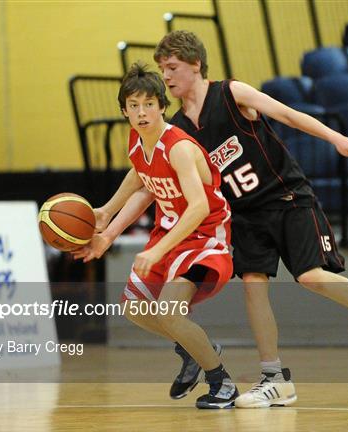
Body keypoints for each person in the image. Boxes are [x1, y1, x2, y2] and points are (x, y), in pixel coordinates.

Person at [149, 30, 348, 408]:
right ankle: (275, 378)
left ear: (195, 65)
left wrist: (336, 138)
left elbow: (288, 114)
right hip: (243, 214)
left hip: (286, 197)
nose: (167, 77)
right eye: (163, 69)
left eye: (172, 67)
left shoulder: (231, 93)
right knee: (253, 285)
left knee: (310, 276)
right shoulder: (178, 128)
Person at [73, 62, 238, 409]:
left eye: (149, 104)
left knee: (168, 311)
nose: (142, 112)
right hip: (172, 233)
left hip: (204, 236)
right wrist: (106, 220)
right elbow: (140, 181)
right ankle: (196, 348)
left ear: (163, 106)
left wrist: (157, 248)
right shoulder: (137, 141)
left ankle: (222, 382)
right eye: (134, 105)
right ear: (124, 111)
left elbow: (198, 208)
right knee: (134, 308)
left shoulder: (176, 145)